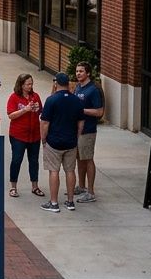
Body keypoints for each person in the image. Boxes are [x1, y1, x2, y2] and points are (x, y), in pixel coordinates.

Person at [39, 72, 84, 214]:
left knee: (54, 171)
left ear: (56, 83)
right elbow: (81, 122)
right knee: (70, 171)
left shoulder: (51, 100)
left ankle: (53, 203)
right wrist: (76, 136)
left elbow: (45, 122)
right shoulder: (76, 100)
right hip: (71, 142)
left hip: (54, 142)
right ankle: (70, 202)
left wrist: (43, 139)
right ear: (68, 84)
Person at [6, 74, 44, 198]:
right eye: (28, 84)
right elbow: (11, 115)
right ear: (21, 85)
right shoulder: (14, 98)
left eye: (31, 83)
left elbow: (41, 111)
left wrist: (37, 109)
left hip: (34, 135)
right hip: (18, 135)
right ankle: (13, 186)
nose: (30, 86)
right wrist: (25, 110)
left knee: (34, 161)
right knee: (17, 160)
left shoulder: (35, 96)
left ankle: (35, 186)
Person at [73, 62, 105, 203]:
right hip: (77, 131)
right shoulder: (78, 87)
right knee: (80, 159)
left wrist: (82, 110)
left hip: (88, 131)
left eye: (81, 71)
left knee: (88, 159)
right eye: (77, 71)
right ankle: (81, 186)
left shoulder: (93, 90)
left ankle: (91, 192)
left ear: (88, 73)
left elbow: (99, 112)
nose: (78, 73)